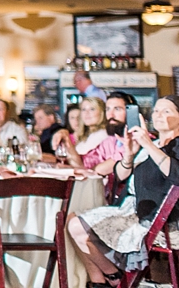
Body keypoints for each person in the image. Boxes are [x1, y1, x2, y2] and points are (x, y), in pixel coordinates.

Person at [67, 96, 179, 287]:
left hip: (160, 222)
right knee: (71, 222)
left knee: (76, 225)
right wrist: (128, 154)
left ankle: (111, 279)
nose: (159, 115)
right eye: (157, 111)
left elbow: (176, 175)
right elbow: (120, 175)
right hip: (132, 210)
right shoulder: (150, 145)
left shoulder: (170, 145)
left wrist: (149, 145)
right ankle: (110, 278)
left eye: (167, 111)